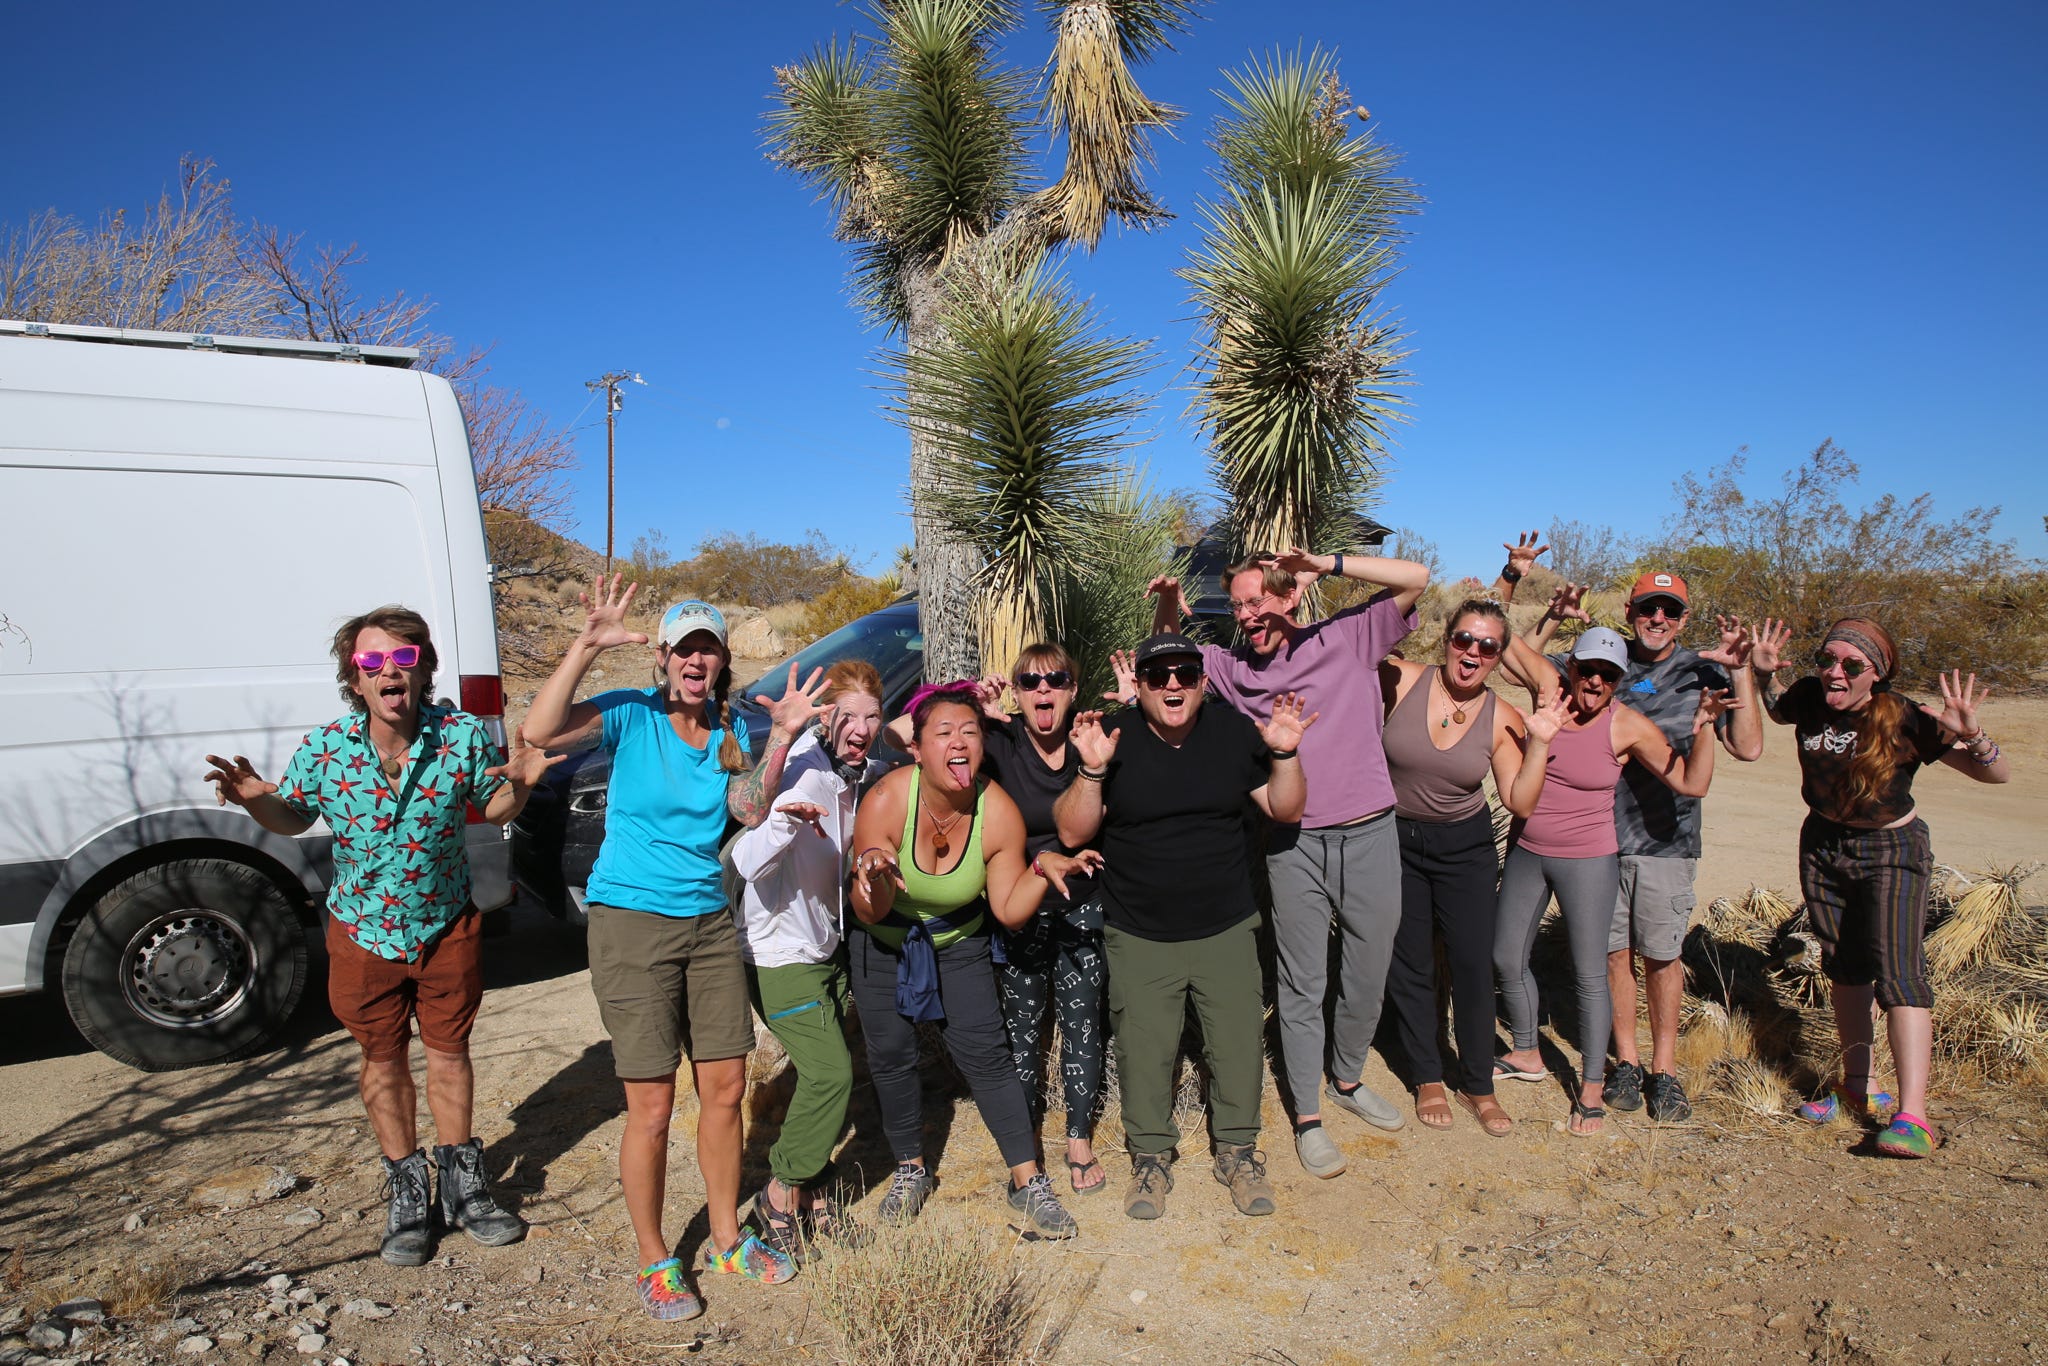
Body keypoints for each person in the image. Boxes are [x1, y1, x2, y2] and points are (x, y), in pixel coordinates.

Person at [204, 606, 558, 1267]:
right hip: (362, 934)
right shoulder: (326, 748)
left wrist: (523, 787)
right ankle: (408, 1192)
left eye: (403, 658)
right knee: (383, 1058)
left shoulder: (460, 736)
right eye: (372, 661)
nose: (389, 671)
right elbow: (292, 816)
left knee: (449, 1053)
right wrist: (255, 798)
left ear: (423, 669)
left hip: (445, 925)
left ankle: (463, 1188)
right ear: (355, 678)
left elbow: (495, 807)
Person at [522, 576, 826, 1321]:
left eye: (707, 649)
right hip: (631, 923)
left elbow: (746, 809)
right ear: (661, 657)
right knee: (653, 1104)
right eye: (683, 649)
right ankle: (656, 1258)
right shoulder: (631, 714)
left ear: (721, 661)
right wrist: (586, 646)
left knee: (724, 1087)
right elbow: (540, 732)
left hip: (708, 922)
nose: (696, 660)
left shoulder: (727, 732)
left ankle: (724, 1239)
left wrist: (782, 739)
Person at [1146, 543, 1429, 1179]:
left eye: (1257, 600)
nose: (1247, 615)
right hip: (1293, 842)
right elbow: (1169, 654)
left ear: (1290, 595)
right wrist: (1168, 604)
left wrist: (1326, 564)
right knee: (1302, 980)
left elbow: (1416, 578)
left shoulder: (1348, 637)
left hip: (1369, 831)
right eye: (1238, 605)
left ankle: (1347, 1078)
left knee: (1368, 968)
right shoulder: (1233, 671)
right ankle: (1308, 1115)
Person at [1055, 633, 1316, 1220]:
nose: (1172, 684)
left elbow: (1287, 809)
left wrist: (1285, 754)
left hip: (1226, 925)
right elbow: (1072, 832)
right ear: (1141, 684)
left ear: (1202, 681)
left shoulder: (1232, 733)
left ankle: (1238, 1153)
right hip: (1139, 931)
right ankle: (1151, 1159)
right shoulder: (1112, 738)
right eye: (1157, 675)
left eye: (1185, 673)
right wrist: (1092, 772)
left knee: (1238, 1045)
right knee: (1144, 1051)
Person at [847, 684, 1101, 1239]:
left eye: (969, 732)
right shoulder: (888, 800)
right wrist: (875, 874)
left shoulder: (998, 812)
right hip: (883, 939)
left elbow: (1008, 911)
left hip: (958, 940)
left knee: (988, 1054)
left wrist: (1042, 870)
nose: (959, 742)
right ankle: (911, 1169)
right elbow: (869, 910)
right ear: (917, 749)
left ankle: (1027, 1180)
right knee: (891, 1055)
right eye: (944, 733)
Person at [1756, 618, 2009, 1157]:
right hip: (1824, 844)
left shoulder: (1903, 716)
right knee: (1844, 968)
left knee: (1899, 976)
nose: (1835, 672)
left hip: (1891, 851)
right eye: (1827, 659)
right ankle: (1859, 1086)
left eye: (1852, 664)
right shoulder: (1810, 696)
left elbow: (1995, 774)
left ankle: (1913, 1117)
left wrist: (1973, 735)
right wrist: (1761, 676)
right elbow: (1777, 709)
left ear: (1877, 673)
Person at [1522, 572, 1765, 1123]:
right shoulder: (1601, 661)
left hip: (1667, 840)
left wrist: (1741, 671)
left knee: (1662, 955)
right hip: (1600, 839)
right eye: (1649, 608)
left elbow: (1748, 747)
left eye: (1670, 611)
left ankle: (1665, 1070)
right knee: (1614, 954)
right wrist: (1552, 616)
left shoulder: (1704, 671)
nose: (1658, 619)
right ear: (1631, 610)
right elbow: (1523, 663)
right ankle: (1627, 1062)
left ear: (1684, 618)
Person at [887, 644, 1113, 1195]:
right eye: (1030, 682)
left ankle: (1078, 1138)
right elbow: (899, 734)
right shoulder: (1000, 740)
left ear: (1072, 690)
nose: (1043, 689)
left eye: (1055, 679)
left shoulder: (1090, 740)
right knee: (1021, 1028)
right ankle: (1026, 1139)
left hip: (1082, 902)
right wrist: (966, 699)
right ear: (1016, 693)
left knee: (1083, 1023)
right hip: (1017, 905)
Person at [1492, 627, 1736, 1136]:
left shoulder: (1626, 725)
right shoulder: (1550, 698)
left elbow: (1692, 783)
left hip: (1588, 860)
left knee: (1589, 973)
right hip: (1528, 852)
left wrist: (1704, 728)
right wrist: (1500, 597)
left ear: (1619, 680)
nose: (1595, 681)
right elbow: (1507, 642)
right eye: (1587, 670)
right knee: (1506, 957)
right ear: (1571, 668)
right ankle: (1527, 1050)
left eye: (1608, 674)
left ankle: (1590, 1087)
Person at [1379, 598, 1567, 1136]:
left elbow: (1519, 801)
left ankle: (1478, 1084)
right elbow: (1346, 657)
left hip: (1464, 850)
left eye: (1487, 646)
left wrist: (1540, 744)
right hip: (1396, 841)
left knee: (1472, 966)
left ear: (1499, 656)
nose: (1472, 653)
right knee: (1410, 962)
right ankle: (1427, 1076)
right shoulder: (1402, 680)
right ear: (1446, 640)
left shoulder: (1502, 716)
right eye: (1464, 640)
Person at [729, 659, 890, 1258]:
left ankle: (817, 1199)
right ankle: (778, 1195)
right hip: (778, 953)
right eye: (848, 716)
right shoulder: (801, 770)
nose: (861, 728)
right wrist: (781, 824)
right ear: (826, 720)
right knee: (830, 1075)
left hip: (825, 949)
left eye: (872, 717)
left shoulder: (855, 775)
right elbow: (746, 861)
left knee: (824, 1076)